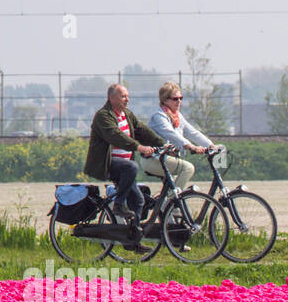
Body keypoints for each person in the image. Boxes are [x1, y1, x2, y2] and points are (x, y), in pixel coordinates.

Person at [84, 83, 167, 224]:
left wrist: (162, 144)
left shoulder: (127, 115)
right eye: (123, 96)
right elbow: (115, 136)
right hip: (106, 164)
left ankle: (134, 238)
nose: (127, 99)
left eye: (128, 96)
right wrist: (139, 147)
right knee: (132, 167)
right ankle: (118, 205)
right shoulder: (103, 116)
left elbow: (142, 130)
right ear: (111, 98)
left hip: (124, 166)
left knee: (139, 200)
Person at [148, 82, 215, 189]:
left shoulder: (178, 117)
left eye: (181, 98)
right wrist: (191, 146)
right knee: (188, 168)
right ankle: (171, 202)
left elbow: (193, 133)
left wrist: (211, 145)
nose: (179, 101)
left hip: (167, 159)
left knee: (172, 188)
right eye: (175, 99)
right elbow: (172, 134)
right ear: (165, 100)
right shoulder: (159, 117)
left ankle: (167, 203)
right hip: (153, 160)